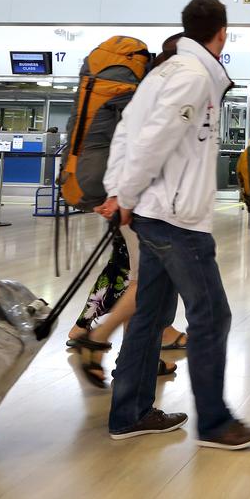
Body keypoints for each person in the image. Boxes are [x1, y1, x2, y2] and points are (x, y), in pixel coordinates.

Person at [100, 0, 250, 450]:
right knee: (212, 315)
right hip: (175, 219)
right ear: (222, 33)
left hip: (156, 213)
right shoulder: (191, 77)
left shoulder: (164, 72)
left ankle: (128, 413)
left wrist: (121, 191)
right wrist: (125, 194)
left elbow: (127, 132)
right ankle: (214, 423)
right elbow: (151, 141)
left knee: (150, 314)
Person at [69, 33, 189, 388]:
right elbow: (140, 151)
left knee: (149, 280)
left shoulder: (147, 92)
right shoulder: (151, 98)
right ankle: (97, 339)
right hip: (137, 204)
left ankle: (137, 354)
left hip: (134, 201)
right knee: (143, 281)